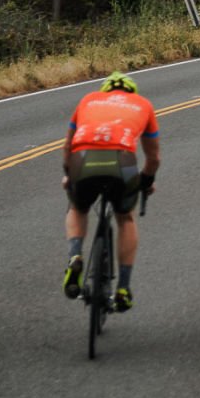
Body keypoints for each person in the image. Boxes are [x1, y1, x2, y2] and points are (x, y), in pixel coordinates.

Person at [62, 72, 160, 312]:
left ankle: (75, 256)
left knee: (78, 207)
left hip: (82, 159)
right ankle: (123, 289)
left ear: (105, 91)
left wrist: (68, 174)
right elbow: (153, 158)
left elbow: (67, 145)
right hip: (122, 161)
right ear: (131, 92)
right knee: (125, 217)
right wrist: (146, 182)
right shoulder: (143, 104)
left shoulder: (88, 100)